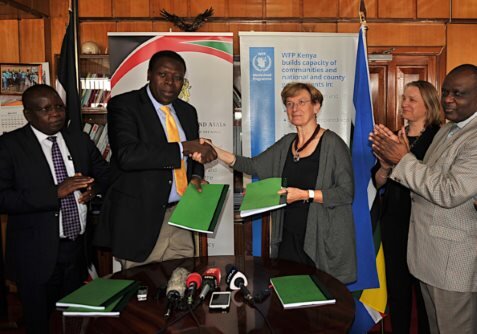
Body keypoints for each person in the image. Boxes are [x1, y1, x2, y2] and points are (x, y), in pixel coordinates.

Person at [204, 82, 356, 284]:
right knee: (289, 297)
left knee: (319, 305)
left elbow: (346, 193)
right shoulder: (287, 143)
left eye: (302, 102)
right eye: (290, 103)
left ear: (316, 106)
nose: (295, 108)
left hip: (319, 239)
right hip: (287, 237)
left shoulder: (333, 143)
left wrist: (306, 195)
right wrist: (214, 149)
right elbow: (252, 166)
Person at [370, 64, 477, 334]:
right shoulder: (449, 130)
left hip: (453, 264)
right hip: (427, 254)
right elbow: (424, 177)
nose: (449, 99)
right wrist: (391, 165)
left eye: (459, 94)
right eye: (445, 92)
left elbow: (449, 190)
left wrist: (403, 160)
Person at [0, 84, 109, 334]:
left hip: (76, 250)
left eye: (59, 106)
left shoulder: (78, 139)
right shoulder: (10, 146)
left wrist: (96, 189)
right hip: (36, 256)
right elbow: (3, 198)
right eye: (45, 109)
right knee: (41, 323)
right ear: (28, 114)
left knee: (75, 321)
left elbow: (105, 173)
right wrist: (55, 192)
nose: (56, 113)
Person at [94, 50, 217, 269]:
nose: (170, 82)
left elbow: (194, 154)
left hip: (180, 216)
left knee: (181, 283)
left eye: (178, 77)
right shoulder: (125, 105)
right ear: (149, 74)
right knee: (142, 292)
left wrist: (196, 175)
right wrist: (184, 147)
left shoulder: (187, 111)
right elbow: (128, 156)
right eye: (163, 74)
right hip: (141, 219)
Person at [371, 81, 441, 334]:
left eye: (412, 99)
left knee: (425, 294)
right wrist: (385, 167)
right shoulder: (392, 136)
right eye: (404, 98)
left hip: (424, 224)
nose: (404, 104)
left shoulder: (440, 138)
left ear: (429, 105)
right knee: (397, 289)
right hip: (394, 222)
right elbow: (378, 181)